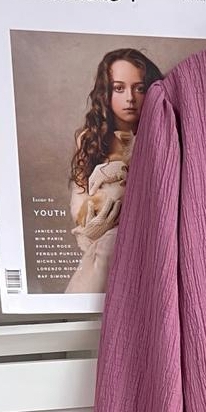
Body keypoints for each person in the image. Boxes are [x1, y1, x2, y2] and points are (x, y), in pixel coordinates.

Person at [64, 48, 163, 295]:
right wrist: (89, 230)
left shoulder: (162, 134)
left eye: (139, 88)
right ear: (105, 92)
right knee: (105, 249)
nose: (130, 98)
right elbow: (80, 197)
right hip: (101, 242)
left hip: (148, 238)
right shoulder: (89, 138)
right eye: (119, 88)